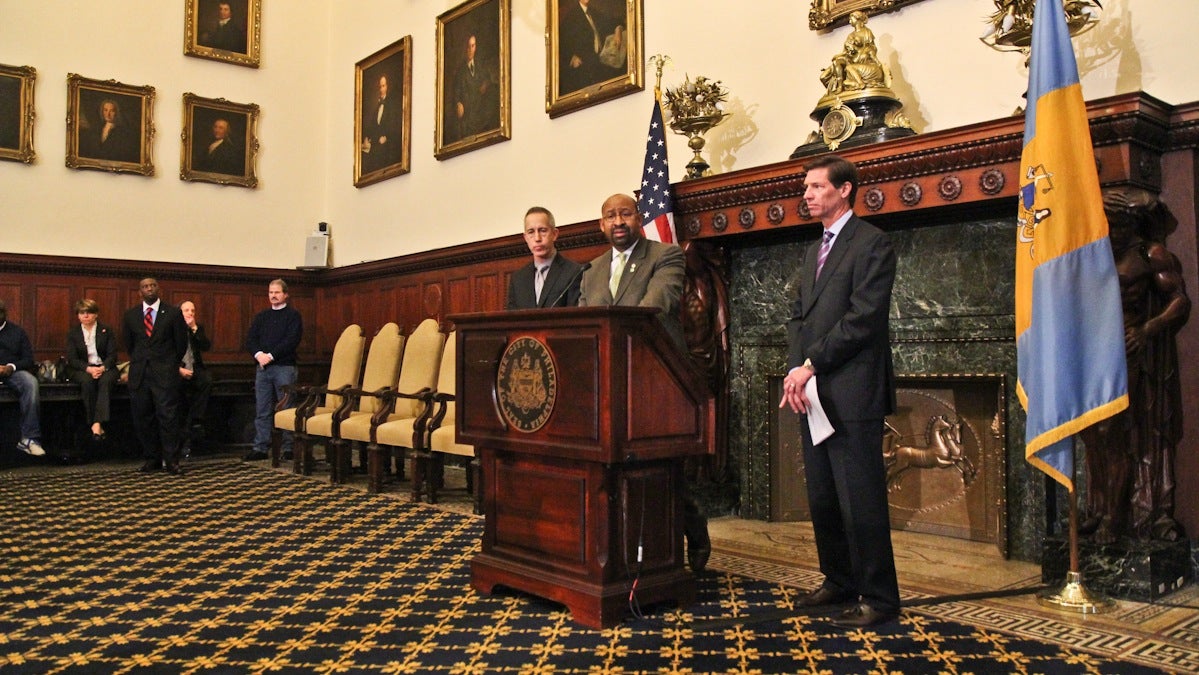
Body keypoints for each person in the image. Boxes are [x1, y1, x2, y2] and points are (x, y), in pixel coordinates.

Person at [778, 155, 899, 628]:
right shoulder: (815, 250)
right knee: (824, 496)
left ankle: (880, 598)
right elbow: (798, 315)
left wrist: (811, 365)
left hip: (851, 391)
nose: (806, 195)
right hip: (811, 391)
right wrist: (795, 368)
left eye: (815, 187)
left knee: (860, 498)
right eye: (805, 187)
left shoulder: (872, 244)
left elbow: (863, 319)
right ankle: (838, 580)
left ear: (844, 190)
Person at [578, 193, 710, 571]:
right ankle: (626, 550)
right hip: (607, 381)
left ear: (639, 218)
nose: (618, 221)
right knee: (615, 467)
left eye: (625, 213)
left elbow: (657, 304)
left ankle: (693, 530)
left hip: (656, 377)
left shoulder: (664, 255)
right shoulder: (592, 268)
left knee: (662, 464)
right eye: (609, 216)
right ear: (600, 225)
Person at [1079, 187, 1192, 543]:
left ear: (1128, 224)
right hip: (1092, 349)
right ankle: (1097, 509)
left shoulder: (1150, 254)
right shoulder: (1092, 254)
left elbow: (1179, 302)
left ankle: (1117, 518)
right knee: (1090, 435)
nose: (1108, 229)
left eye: (1113, 223)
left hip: (1126, 353)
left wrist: (1147, 329)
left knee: (1111, 435)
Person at [122, 278, 190, 475]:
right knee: (143, 417)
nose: (149, 289)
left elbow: (180, 344)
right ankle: (151, 458)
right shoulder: (131, 315)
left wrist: (169, 363)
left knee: (168, 417)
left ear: (158, 289)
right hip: (140, 373)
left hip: (165, 373)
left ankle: (171, 460)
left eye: (152, 286)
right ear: (140, 291)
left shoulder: (172, 313)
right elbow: (129, 344)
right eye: (145, 286)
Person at [244, 279, 302, 462]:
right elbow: (251, 339)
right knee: (262, 409)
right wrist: (259, 354)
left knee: (286, 408)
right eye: (270, 292)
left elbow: (291, 340)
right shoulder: (262, 316)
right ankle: (260, 447)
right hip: (263, 368)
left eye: (277, 292)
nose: (273, 296)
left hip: (284, 366)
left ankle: (288, 447)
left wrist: (271, 355)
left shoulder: (293, 316)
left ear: (285, 294)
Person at [506, 207, 583, 309]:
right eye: (531, 232)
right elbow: (511, 320)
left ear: (554, 234)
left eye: (542, 230)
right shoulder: (518, 278)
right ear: (525, 238)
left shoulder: (574, 272)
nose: (537, 238)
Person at [65, 299, 118, 441]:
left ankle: (96, 423)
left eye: (89, 312)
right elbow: (72, 359)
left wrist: (102, 367)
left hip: (104, 367)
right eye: (82, 313)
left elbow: (112, 355)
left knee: (105, 382)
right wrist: (88, 369)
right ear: (78, 315)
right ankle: (96, 423)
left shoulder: (106, 330)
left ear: (96, 315)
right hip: (82, 369)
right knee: (87, 382)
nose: (85, 316)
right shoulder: (73, 333)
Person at [0, 300, 44, 457]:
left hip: (13, 372)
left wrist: (10, 367)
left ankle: (29, 439)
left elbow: (28, 360)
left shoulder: (17, 332)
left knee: (31, 383)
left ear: (4, 314)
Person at [558, 0, 626, 96]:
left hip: (600, 61)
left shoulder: (594, 12)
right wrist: (571, 58)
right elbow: (561, 41)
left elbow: (612, 21)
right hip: (583, 67)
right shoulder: (571, 17)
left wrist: (618, 29)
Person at [178, 300, 213, 455]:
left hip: (195, 368)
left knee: (206, 380)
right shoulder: (173, 328)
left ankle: (196, 419)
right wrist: (178, 370)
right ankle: (184, 434)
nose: (190, 313)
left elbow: (205, 346)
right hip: (178, 369)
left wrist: (194, 329)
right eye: (186, 310)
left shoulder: (197, 328)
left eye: (192, 310)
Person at [452, 34, 498, 141]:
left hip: (481, 113)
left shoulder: (481, 66)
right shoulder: (460, 72)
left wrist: (486, 84)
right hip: (468, 116)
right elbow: (456, 94)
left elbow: (488, 80)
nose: (470, 50)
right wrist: (458, 103)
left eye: (473, 46)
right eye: (468, 46)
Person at [360, 73, 402, 174]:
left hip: (387, 145)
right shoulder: (378, 105)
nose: (381, 89)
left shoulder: (392, 104)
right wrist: (366, 138)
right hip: (376, 144)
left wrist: (387, 137)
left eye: (383, 86)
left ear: (387, 86)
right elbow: (373, 125)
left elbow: (395, 125)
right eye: (380, 86)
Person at [79, 98, 137, 163]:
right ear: (102, 111)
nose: (108, 114)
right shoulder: (97, 129)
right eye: (105, 110)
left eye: (112, 111)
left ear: (117, 112)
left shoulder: (123, 132)